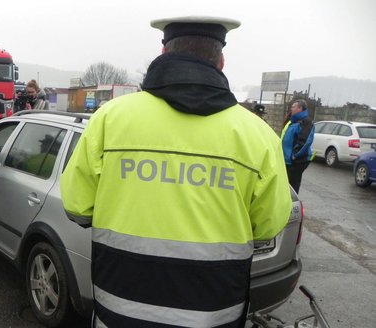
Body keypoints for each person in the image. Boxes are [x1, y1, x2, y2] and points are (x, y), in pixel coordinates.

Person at [60, 16, 292, 328]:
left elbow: (77, 206)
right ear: (221, 62)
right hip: (213, 314)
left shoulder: (110, 119)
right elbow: (268, 226)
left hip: (120, 309)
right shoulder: (258, 135)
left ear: (163, 52)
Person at [281, 99, 314, 193]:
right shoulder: (293, 121)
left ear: (300, 108)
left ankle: (292, 206)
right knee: (285, 186)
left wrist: (294, 156)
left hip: (296, 162)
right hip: (287, 160)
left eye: (293, 107)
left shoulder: (306, 122)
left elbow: (305, 141)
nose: (291, 109)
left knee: (292, 187)